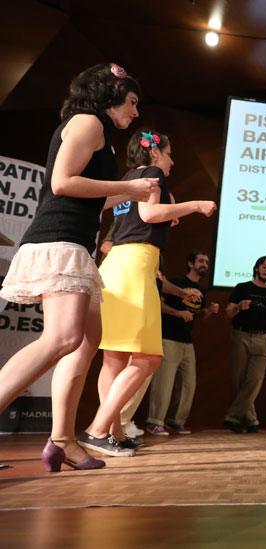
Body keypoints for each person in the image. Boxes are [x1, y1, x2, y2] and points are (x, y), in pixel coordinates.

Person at [0, 63, 157, 471]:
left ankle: (63, 439)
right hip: (59, 240)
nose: (136, 112)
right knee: (63, 338)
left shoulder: (100, 139)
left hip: (79, 245)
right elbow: (62, 183)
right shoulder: (87, 122)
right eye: (132, 102)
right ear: (110, 95)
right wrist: (127, 187)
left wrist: (129, 193)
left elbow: (88, 196)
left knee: (87, 341)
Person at [79, 129, 216, 457]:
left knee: (113, 357)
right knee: (148, 357)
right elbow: (150, 215)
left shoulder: (129, 177)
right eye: (169, 153)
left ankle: (113, 433)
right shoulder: (153, 173)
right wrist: (195, 204)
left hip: (113, 266)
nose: (172, 160)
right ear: (155, 154)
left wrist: (168, 212)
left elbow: (141, 216)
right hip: (135, 265)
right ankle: (98, 429)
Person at [144, 251, 220, 436]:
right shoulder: (176, 283)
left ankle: (176, 421)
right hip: (169, 337)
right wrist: (178, 314)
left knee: (188, 385)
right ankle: (155, 422)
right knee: (164, 383)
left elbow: (197, 315)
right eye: (201, 261)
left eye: (207, 262)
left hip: (187, 341)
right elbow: (158, 305)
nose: (204, 265)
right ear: (190, 263)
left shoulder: (201, 290)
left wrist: (209, 310)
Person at [223, 256, 266, 434]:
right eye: (264, 267)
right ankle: (251, 420)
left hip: (262, 339)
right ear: (257, 268)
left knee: (255, 380)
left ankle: (233, 417)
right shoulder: (242, 288)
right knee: (240, 380)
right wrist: (237, 307)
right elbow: (228, 313)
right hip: (240, 335)